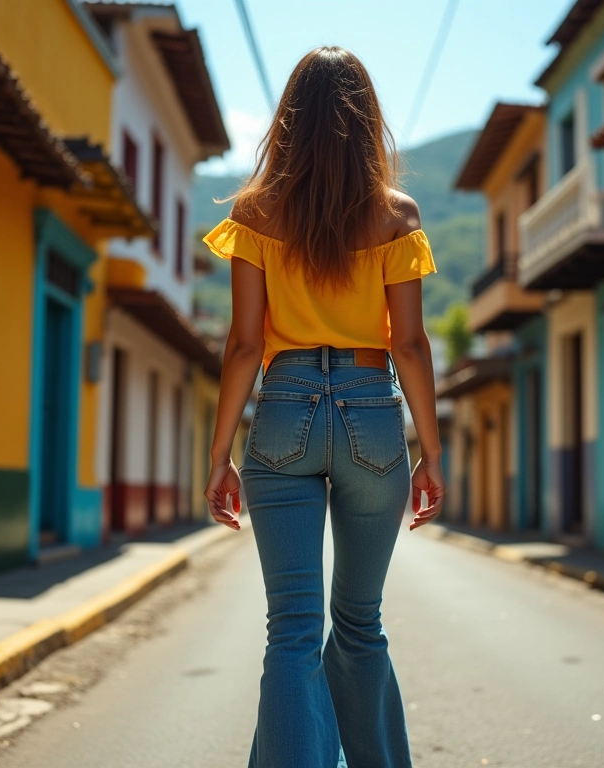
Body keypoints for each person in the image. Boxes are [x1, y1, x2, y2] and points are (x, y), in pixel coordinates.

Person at [202, 46, 446, 768]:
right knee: (360, 623)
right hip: (373, 413)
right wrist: (431, 450)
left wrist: (219, 457)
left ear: (289, 119)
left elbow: (244, 344)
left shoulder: (255, 212)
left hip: (283, 412)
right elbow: (410, 344)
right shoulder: (397, 215)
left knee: (293, 630)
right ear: (366, 120)